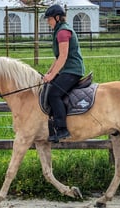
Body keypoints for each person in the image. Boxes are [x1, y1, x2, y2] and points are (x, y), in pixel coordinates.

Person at [43, 4, 85, 142]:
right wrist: (48, 73)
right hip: (67, 69)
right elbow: (57, 58)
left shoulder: (62, 32)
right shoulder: (59, 30)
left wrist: (52, 75)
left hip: (72, 70)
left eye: (49, 19)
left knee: (54, 94)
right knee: (48, 89)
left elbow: (63, 56)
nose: (48, 22)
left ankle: (62, 129)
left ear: (57, 18)